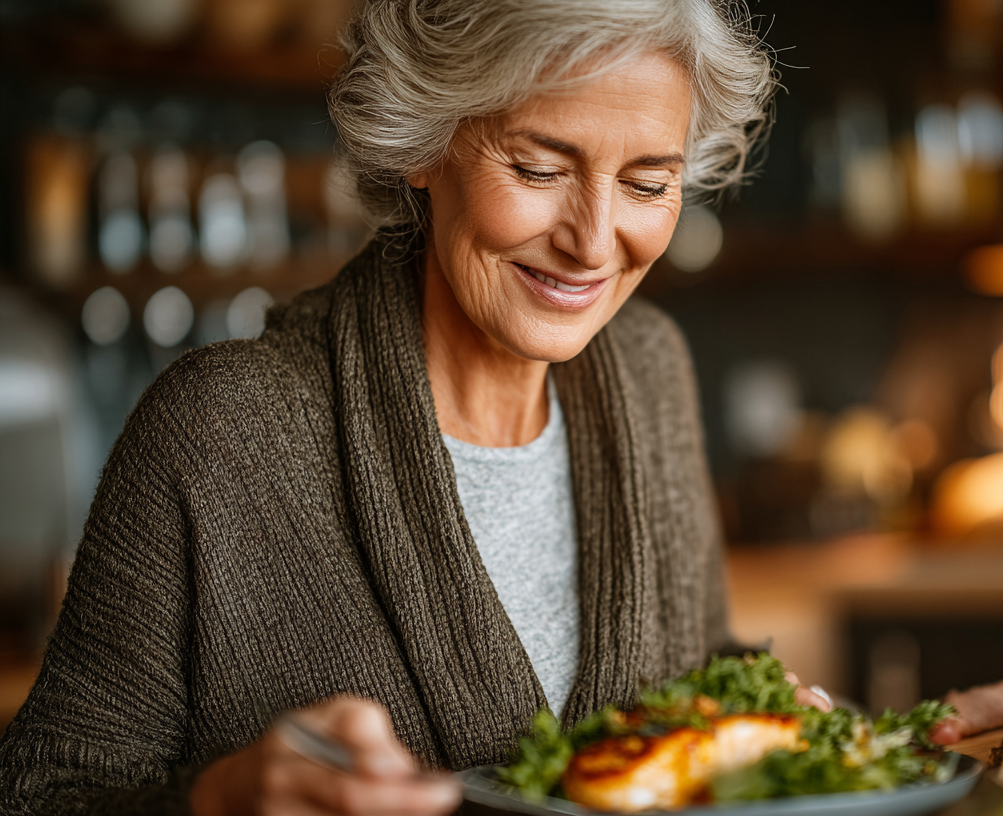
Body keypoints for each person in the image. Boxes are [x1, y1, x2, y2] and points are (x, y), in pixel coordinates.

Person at [0, 1, 793, 813]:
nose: (593, 242)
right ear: (426, 142)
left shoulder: (650, 370)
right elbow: (38, 794)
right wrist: (217, 801)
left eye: (646, 184)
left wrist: (775, 725)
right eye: (539, 170)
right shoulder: (219, 433)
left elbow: (698, 676)